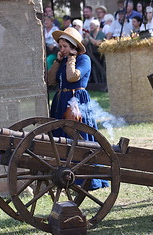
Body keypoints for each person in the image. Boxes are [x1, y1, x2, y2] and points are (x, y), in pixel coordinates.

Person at [47, 27, 109, 190]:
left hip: (76, 102)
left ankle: (87, 179)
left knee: (79, 137)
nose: (62, 49)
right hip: (61, 101)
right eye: (60, 46)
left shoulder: (84, 59)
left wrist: (72, 58)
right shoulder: (62, 60)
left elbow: (72, 76)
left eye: (65, 46)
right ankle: (64, 176)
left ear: (73, 46)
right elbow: (50, 80)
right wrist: (59, 61)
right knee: (61, 138)